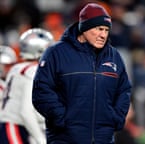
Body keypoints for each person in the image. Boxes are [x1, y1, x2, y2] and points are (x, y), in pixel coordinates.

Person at [32, 2, 132, 144]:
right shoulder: (56, 53)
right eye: (99, 29)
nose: (103, 35)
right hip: (65, 139)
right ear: (84, 28)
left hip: (103, 138)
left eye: (106, 30)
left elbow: (124, 90)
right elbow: (41, 91)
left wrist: (116, 118)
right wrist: (62, 119)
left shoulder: (114, 56)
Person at [0, 28, 54, 144]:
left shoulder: (17, 68)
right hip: (16, 126)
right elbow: (26, 111)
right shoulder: (33, 71)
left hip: (14, 126)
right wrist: (40, 139)